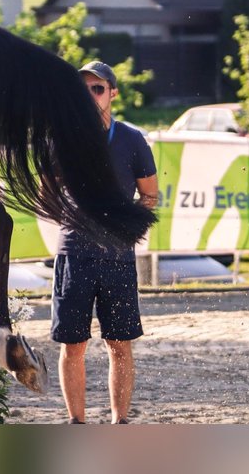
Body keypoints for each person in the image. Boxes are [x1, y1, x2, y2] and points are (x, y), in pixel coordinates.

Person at [53, 61, 160, 424]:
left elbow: (150, 195)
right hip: (74, 254)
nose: (90, 95)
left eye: (98, 88)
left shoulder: (131, 138)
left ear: (113, 93)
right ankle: (77, 422)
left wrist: (127, 226)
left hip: (117, 256)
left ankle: (119, 422)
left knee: (119, 344)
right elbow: (45, 189)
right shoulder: (63, 136)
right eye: (83, 89)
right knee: (73, 345)